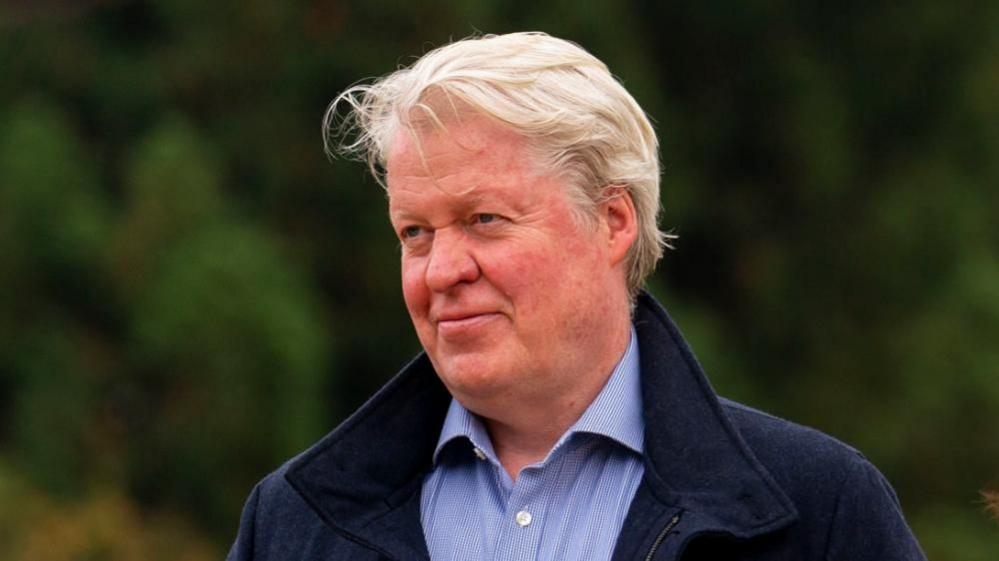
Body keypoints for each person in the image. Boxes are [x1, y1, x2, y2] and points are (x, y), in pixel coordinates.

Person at [227, 32, 926, 560]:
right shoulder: (292, 522)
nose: (440, 270)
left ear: (612, 220)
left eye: (483, 220)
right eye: (414, 232)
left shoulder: (818, 511)